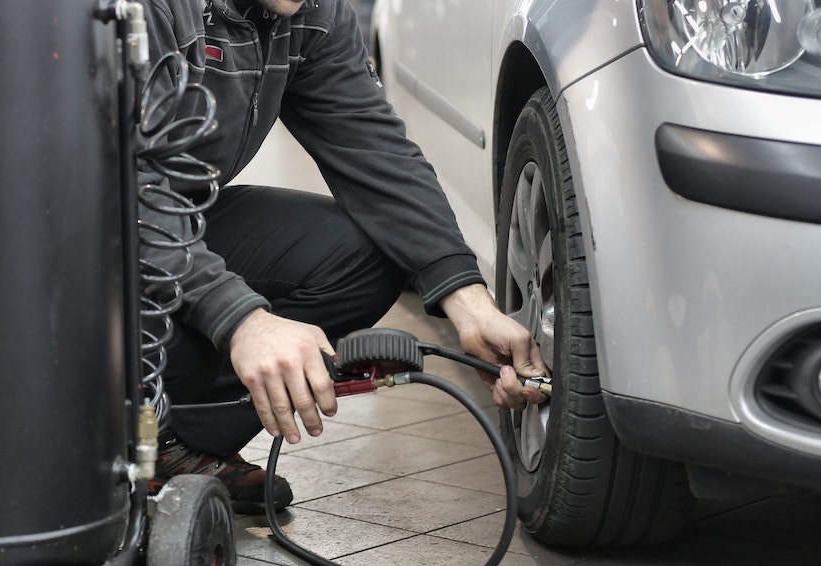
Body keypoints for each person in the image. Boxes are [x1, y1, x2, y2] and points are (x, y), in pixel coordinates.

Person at [139, 0, 547, 514]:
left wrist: (470, 304)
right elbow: (115, 187)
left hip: (165, 221)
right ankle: (78, 419)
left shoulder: (307, 11)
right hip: (58, 243)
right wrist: (241, 320)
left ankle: (168, 440)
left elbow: (373, 149)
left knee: (366, 254)